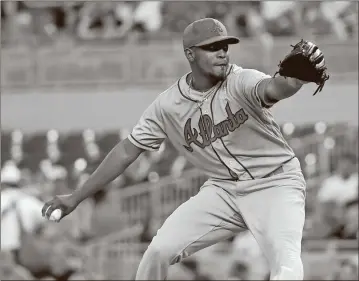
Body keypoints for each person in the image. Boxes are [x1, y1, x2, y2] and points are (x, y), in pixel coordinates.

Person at [42, 18, 327, 280]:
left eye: (225, 46)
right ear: (190, 54)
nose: (222, 53)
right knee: (157, 252)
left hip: (276, 184)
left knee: (287, 266)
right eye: (212, 47)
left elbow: (272, 88)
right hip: (224, 191)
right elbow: (126, 151)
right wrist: (76, 197)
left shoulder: (240, 80)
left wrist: (292, 81)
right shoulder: (168, 105)